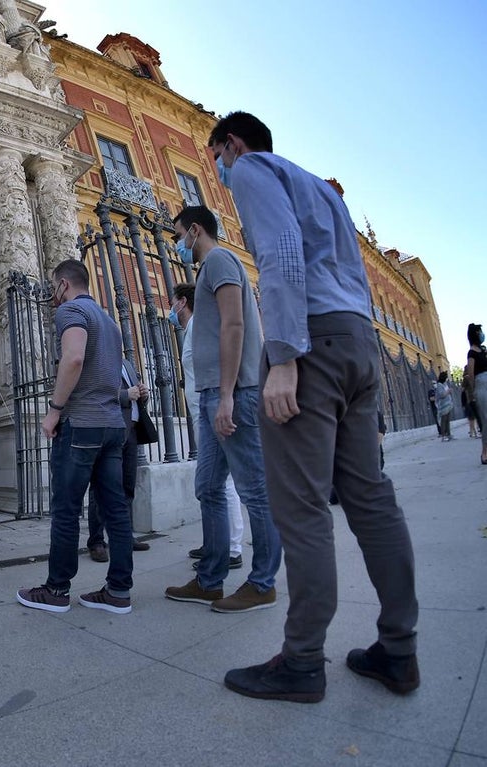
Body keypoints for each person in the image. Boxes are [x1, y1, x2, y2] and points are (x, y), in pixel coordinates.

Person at [211, 112, 418, 702]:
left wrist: (282, 356)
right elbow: (347, 270)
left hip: (312, 344)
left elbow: (279, 256)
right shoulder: (321, 190)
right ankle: (398, 650)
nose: (222, 173)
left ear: (230, 143)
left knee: (300, 507)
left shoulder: (250, 168)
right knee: (370, 497)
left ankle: (301, 661)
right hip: (357, 341)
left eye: (217, 160)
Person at [165, 206, 282, 615]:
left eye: (179, 235)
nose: (178, 243)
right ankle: (209, 580)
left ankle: (262, 583)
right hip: (215, 393)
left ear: (195, 230)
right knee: (209, 487)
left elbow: (236, 325)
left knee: (253, 491)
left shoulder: (218, 260)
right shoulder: (210, 268)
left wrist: (229, 395)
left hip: (232, 393)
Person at [16, 259, 131, 615]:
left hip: (81, 424)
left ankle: (56, 590)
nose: (53, 292)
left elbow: (74, 358)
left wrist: (53, 409)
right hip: (113, 425)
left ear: (64, 284)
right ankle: (118, 591)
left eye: (53, 285)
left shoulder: (71, 312)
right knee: (116, 511)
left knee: (66, 510)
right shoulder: (110, 323)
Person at [172, 283, 244, 571]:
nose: (171, 308)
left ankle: (233, 547)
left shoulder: (201, 326)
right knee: (210, 482)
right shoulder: (189, 330)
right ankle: (215, 541)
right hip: (199, 412)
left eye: (173, 302)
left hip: (211, 411)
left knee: (221, 482)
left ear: (183, 303)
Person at [85, 357, 151, 562]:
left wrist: (143, 395)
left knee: (127, 486)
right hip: (110, 428)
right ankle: (96, 541)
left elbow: (136, 397)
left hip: (131, 430)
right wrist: (125, 394)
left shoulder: (127, 363)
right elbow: (91, 391)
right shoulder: (97, 360)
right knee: (101, 487)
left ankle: (124, 537)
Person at [466, 323, 487, 464]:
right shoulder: (471, 353)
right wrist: (472, 391)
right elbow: (471, 373)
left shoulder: (483, 351)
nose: (481, 334)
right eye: (479, 332)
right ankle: (485, 452)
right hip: (480, 384)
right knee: (486, 420)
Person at [433, 372, 454, 442]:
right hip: (443, 405)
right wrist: (448, 391)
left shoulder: (445, 384)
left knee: (447, 420)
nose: (447, 379)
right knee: (443, 421)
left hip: (448, 404)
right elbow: (442, 395)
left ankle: (449, 434)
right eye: (446, 377)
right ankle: (443, 435)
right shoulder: (439, 385)